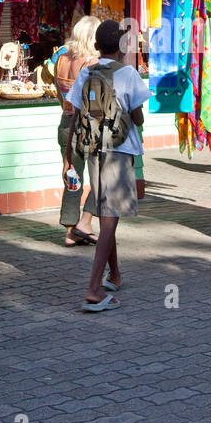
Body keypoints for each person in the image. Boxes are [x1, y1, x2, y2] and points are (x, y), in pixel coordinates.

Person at [65, 19, 152, 311]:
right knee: (110, 218)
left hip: (92, 151)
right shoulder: (128, 73)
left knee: (105, 215)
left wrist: (69, 158)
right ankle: (93, 289)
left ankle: (114, 275)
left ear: (97, 46)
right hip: (119, 151)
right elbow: (138, 119)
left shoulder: (87, 72)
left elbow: (74, 115)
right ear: (122, 46)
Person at [55, 16, 100, 246]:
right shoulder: (91, 62)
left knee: (72, 178)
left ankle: (70, 230)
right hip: (85, 127)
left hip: (65, 123)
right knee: (103, 178)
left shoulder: (60, 58)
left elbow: (58, 94)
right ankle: (86, 220)